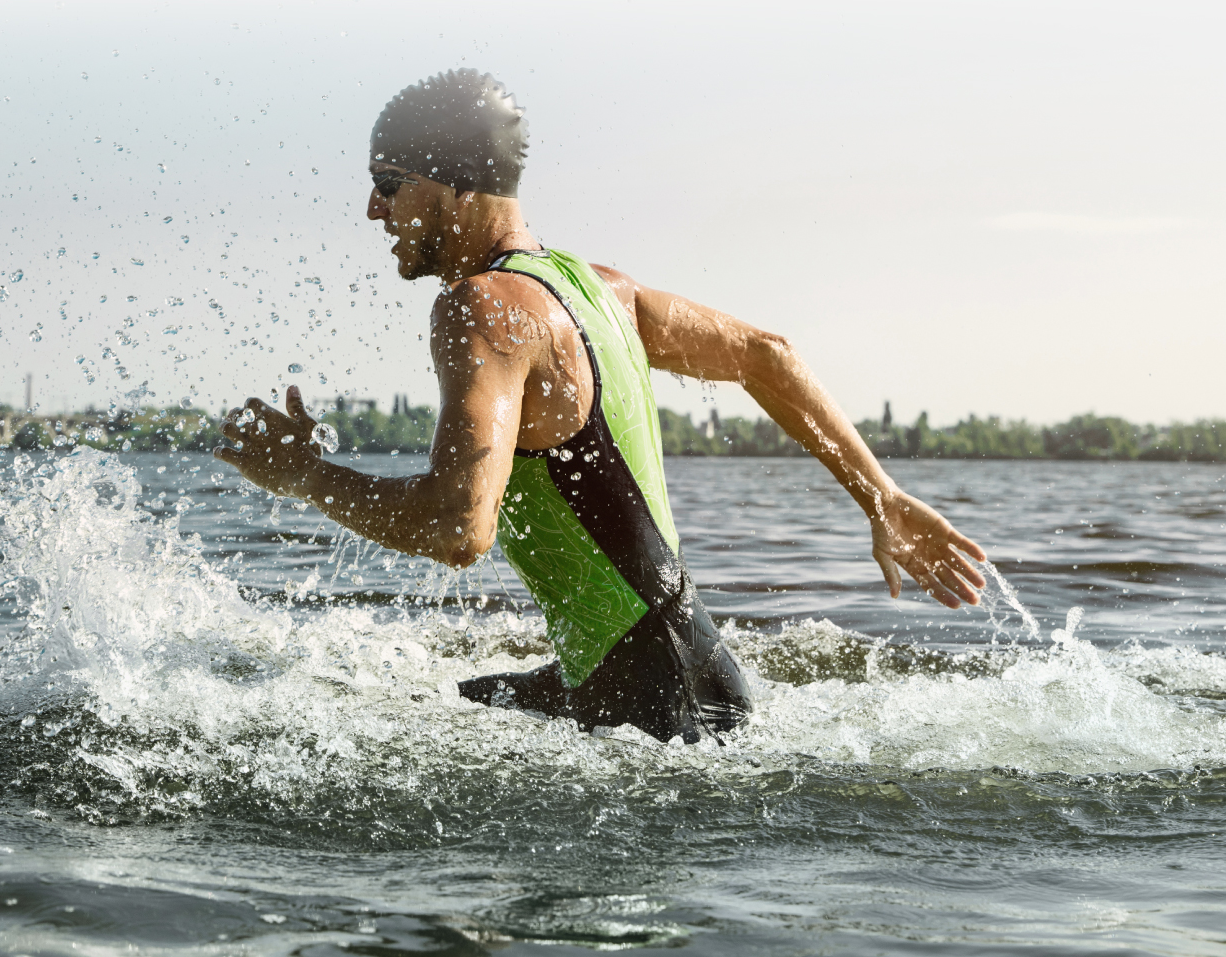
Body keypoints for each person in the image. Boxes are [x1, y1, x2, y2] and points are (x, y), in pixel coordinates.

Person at [214, 69, 987, 743]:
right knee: (439, 705)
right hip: (688, 671)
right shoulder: (600, 291)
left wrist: (307, 478)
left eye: (388, 184)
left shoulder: (483, 310)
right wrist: (880, 498)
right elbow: (767, 356)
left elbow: (458, 529)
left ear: (452, 181)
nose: (374, 212)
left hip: (652, 705)